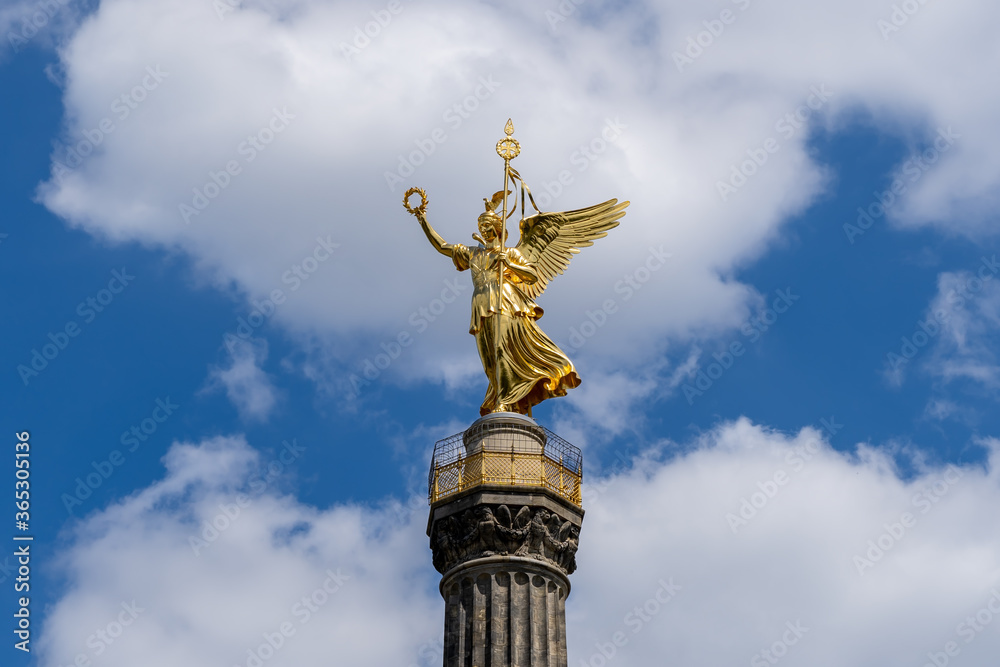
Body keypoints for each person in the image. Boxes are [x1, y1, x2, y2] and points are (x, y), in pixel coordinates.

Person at [415, 201, 580, 416]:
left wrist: (509, 264)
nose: (483, 229)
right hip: (480, 302)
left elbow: (531, 276)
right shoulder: (473, 253)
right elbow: (442, 246)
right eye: (480, 226)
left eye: (487, 225)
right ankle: (504, 400)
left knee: (502, 348)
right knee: (489, 358)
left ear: (497, 228)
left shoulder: (510, 253)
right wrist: (422, 220)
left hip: (505, 300)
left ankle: (505, 401)